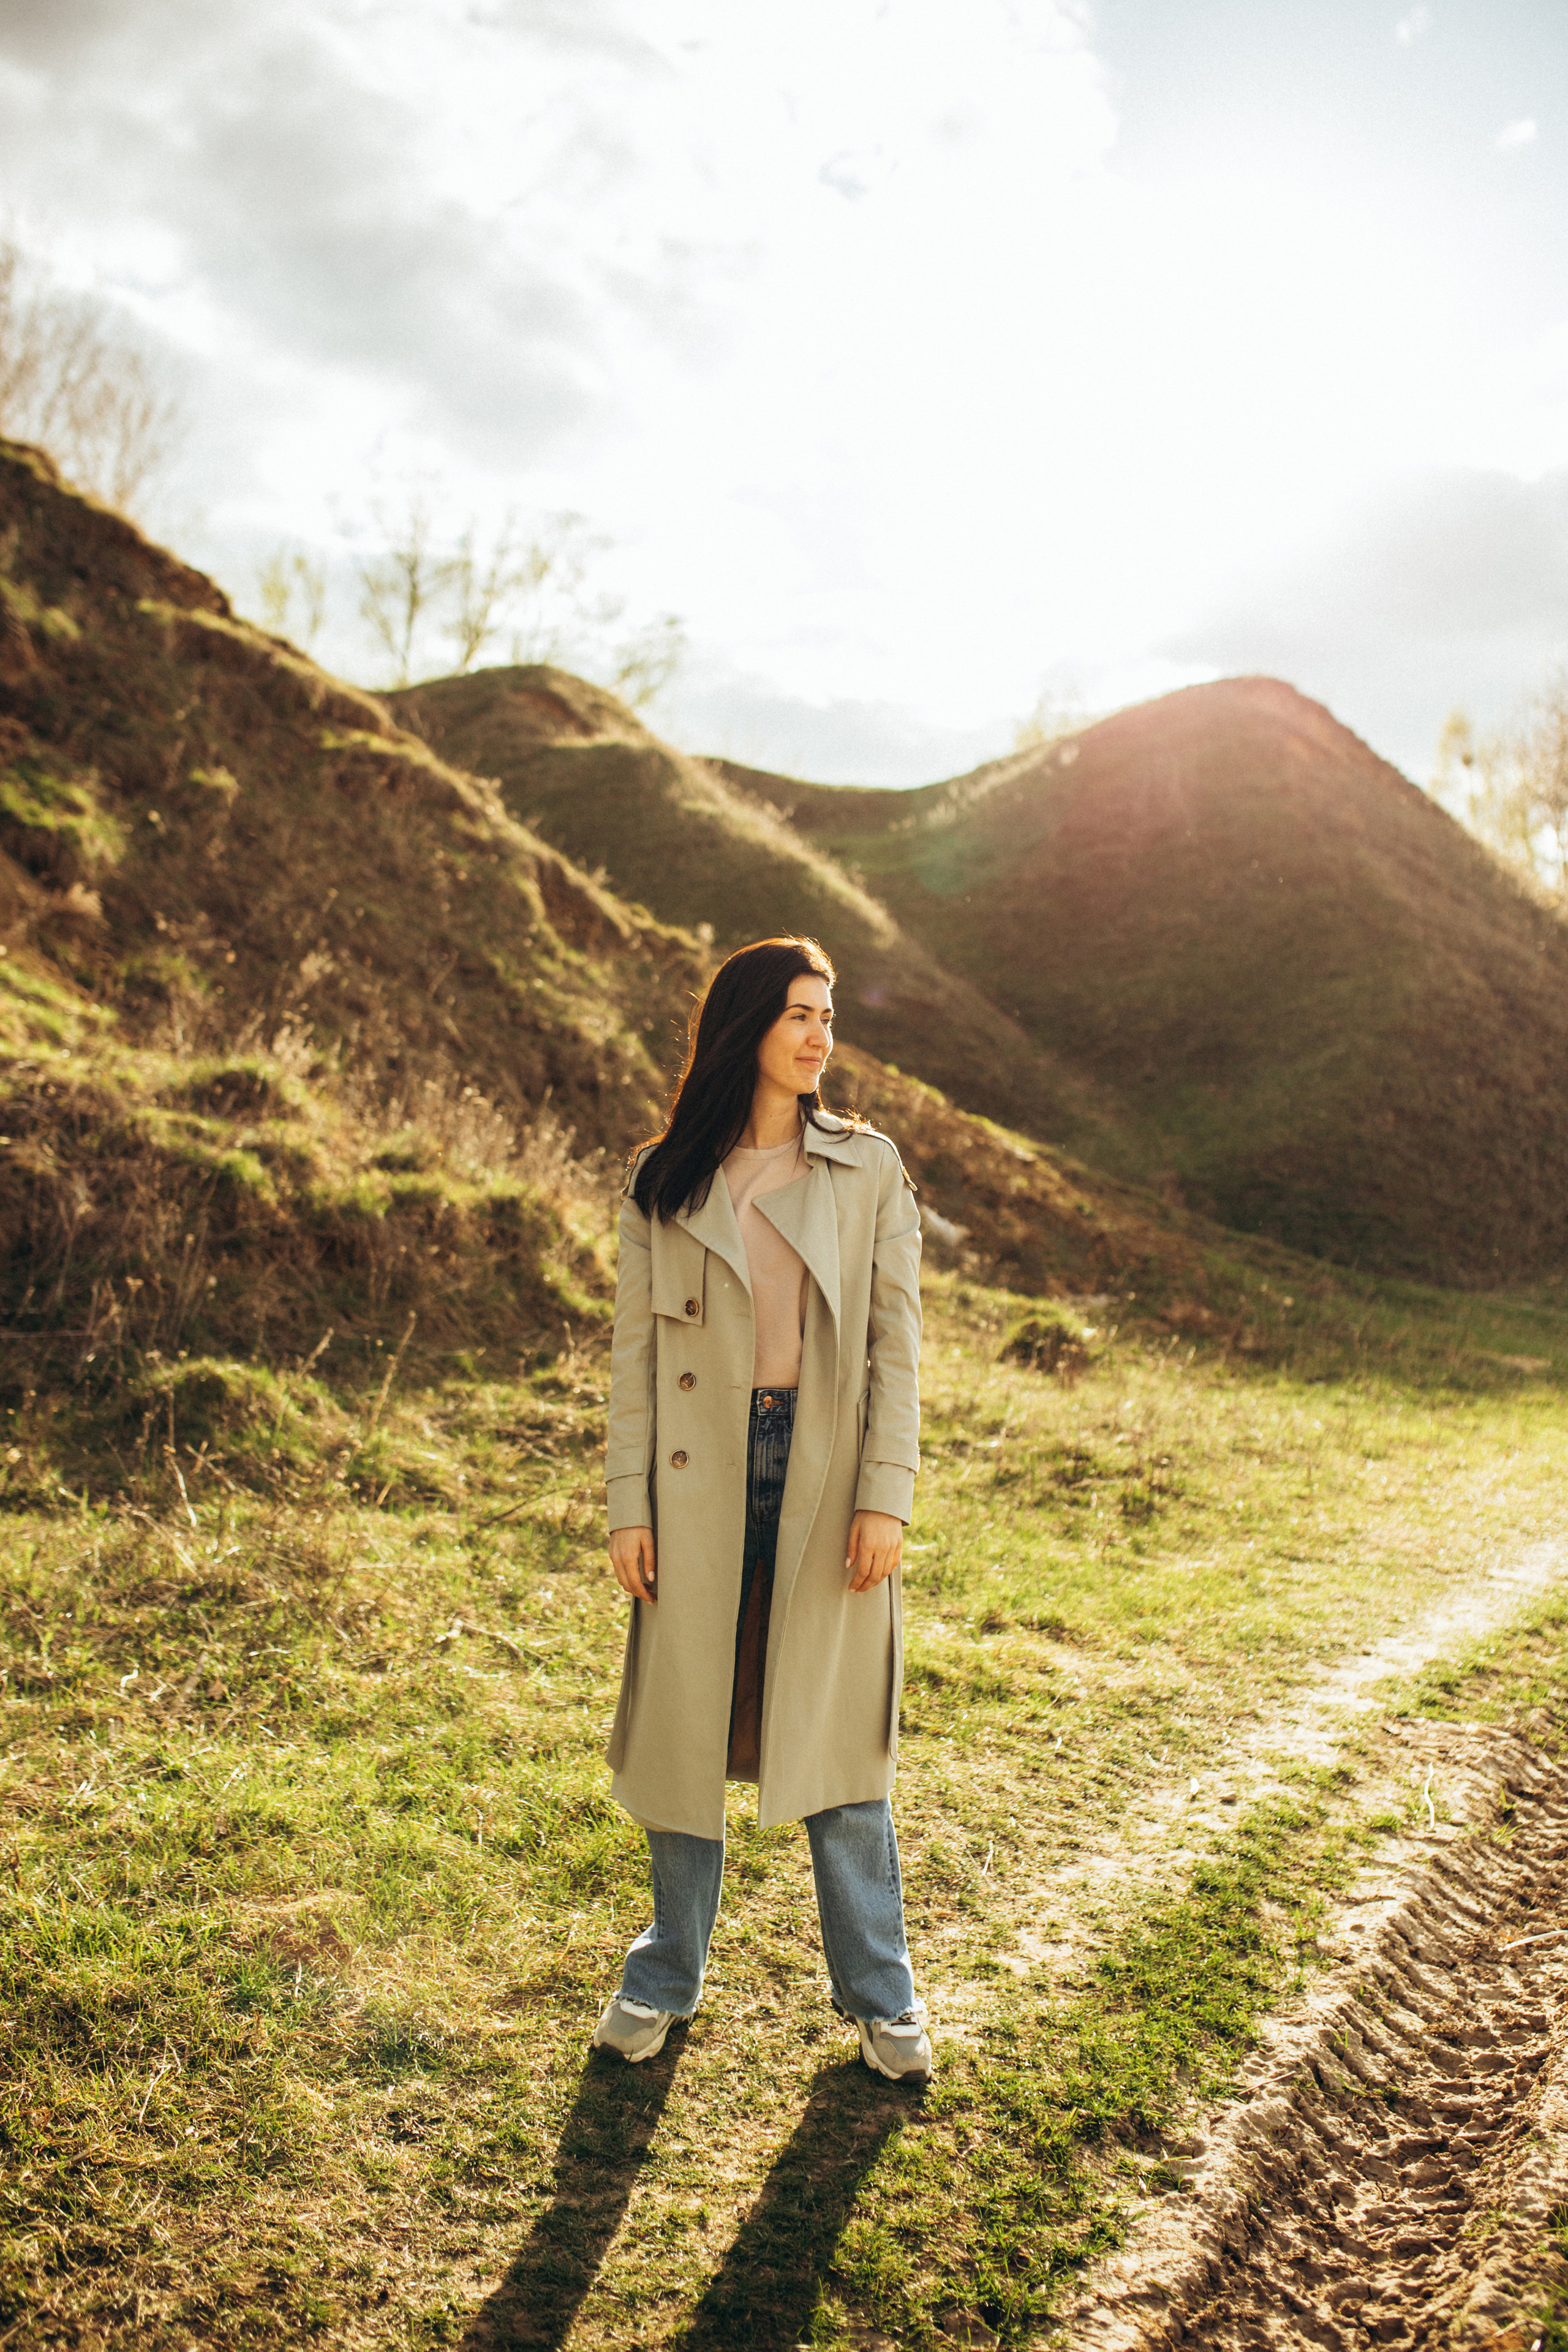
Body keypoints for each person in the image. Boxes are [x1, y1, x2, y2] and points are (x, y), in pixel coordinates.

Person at [592, 935, 930, 2081]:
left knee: (839, 1736)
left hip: (826, 1475)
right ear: (746, 1026)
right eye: (799, 1013)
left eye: (829, 1013)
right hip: (692, 1483)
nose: (820, 1033)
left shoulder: (867, 1169)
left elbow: (897, 1351)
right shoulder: (664, 1178)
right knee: (686, 1723)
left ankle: (882, 2001)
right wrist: (625, 1505)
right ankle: (662, 1977)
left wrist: (885, 1495)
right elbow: (633, 1359)